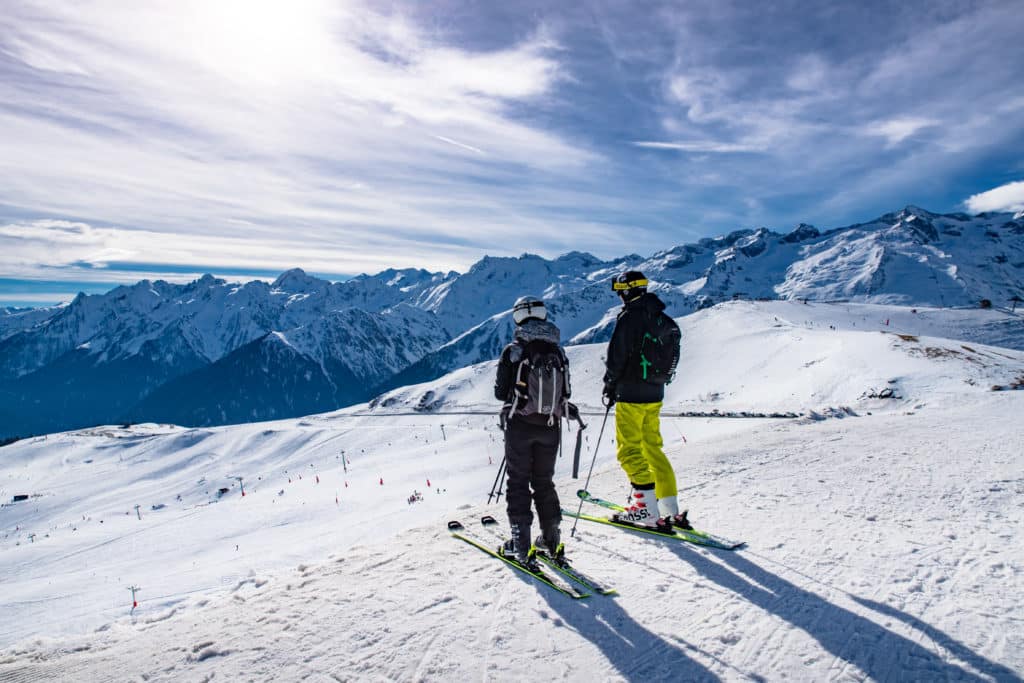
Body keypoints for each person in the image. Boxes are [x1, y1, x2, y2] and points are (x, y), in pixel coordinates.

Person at [602, 271, 692, 530]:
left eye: (620, 290)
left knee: (629, 450)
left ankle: (645, 510)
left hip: (630, 393)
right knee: (652, 447)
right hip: (655, 393)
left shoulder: (630, 317)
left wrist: (610, 384)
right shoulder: (661, 317)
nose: (619, 295)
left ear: (628, 291)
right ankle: (669, 509)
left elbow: (617, 355)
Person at [494, 295, 572, 566]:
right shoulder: (558, 351)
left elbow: (499, 393)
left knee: (518, 483)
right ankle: (552, 541)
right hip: (551, 427)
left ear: (518, 317)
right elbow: (567, 391)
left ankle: (520, 543)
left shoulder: (514, 351)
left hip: (520, 427)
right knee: (543, 482)